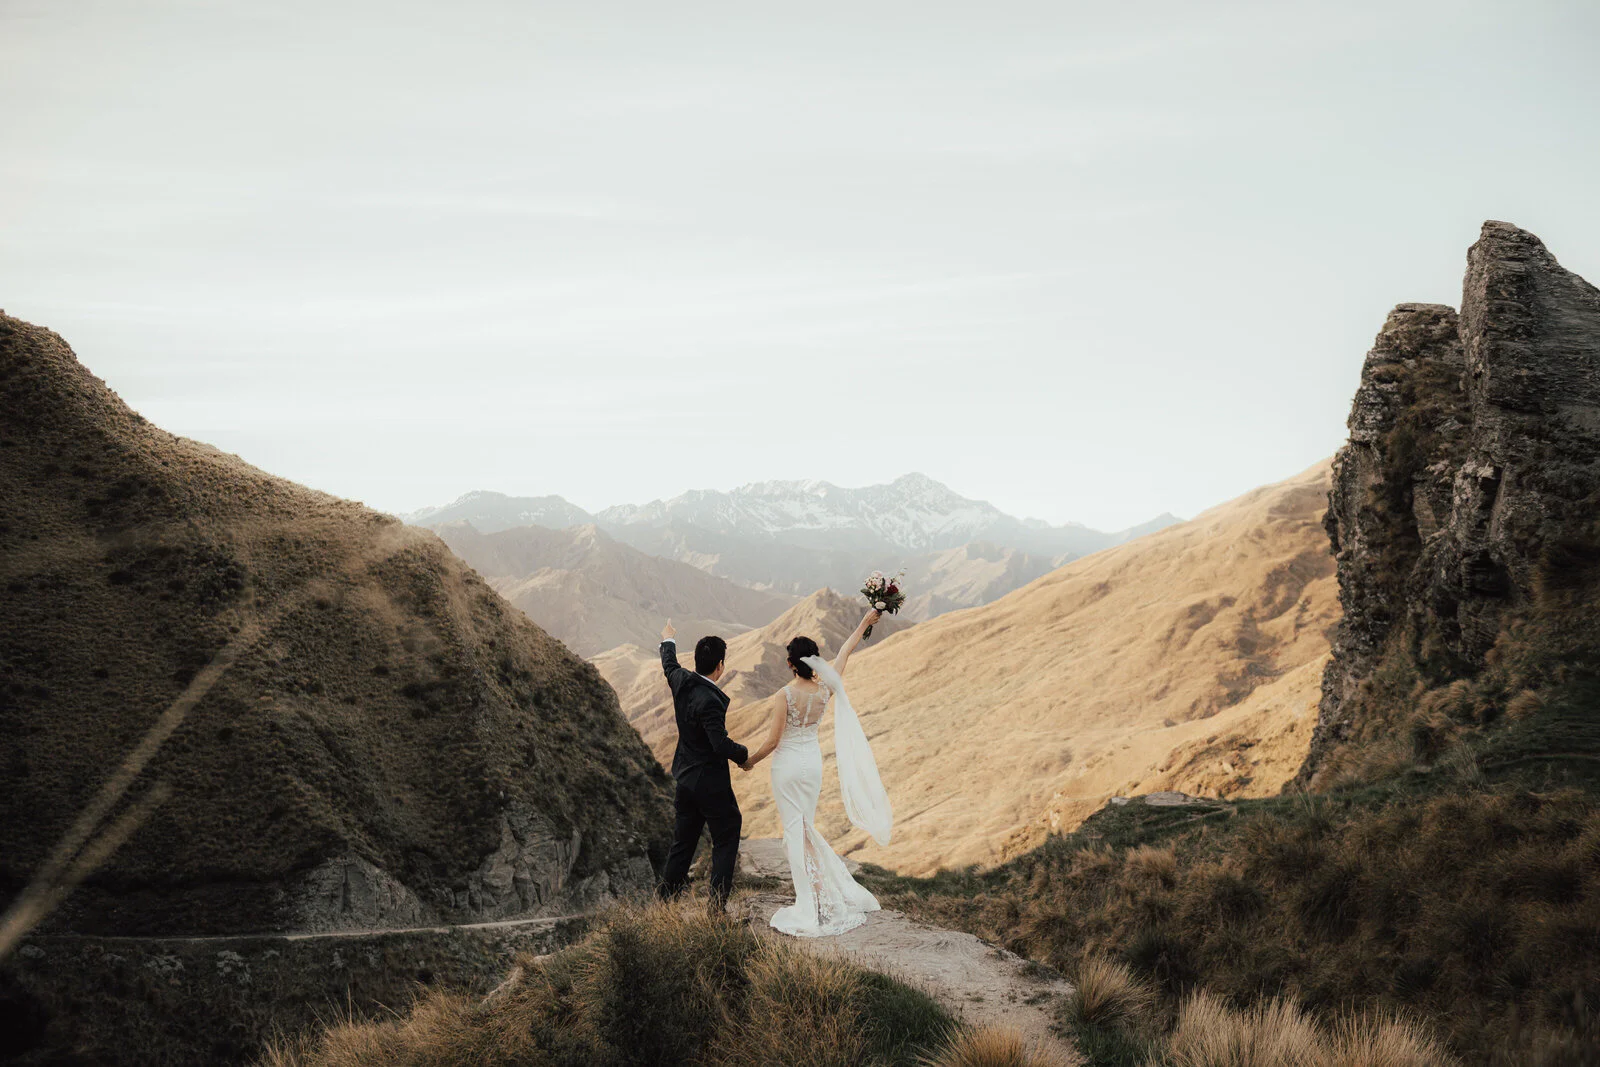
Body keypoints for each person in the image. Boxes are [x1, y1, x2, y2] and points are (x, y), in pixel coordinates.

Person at [740, 609, 892, 936]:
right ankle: (820, 893)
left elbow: (773, 740)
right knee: (805, 828)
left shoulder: (785, 695)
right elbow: (846, 651)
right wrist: (866, 621)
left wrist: (749, 761)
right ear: (814, 662)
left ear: (792, 664)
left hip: (787, 768)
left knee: (796, 832)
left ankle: (811, 903)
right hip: (813, 766)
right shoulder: (825, 690)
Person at [656, 619, 747, 909]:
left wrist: (668, 639)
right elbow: (719, 743)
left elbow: (668, 665)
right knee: (728, 832)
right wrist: (744, 755)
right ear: (719, 665)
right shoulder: (710, 700)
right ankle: (716, 907)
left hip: (684, 779)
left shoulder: (681, 680)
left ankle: (664, 904)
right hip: (710, 784)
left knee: (682, 844)